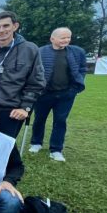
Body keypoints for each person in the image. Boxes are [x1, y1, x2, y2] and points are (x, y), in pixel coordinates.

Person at [29, 27, 87, 162]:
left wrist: (75, 87)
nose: (66, 40)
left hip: (66, 94)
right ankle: (36, 143)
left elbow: (82, 69)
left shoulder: (77, 52)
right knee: (39, 119)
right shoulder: (40, 51)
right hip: (44, 94)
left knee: (60, 121)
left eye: (68, 37)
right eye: (63, 38)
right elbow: (33, 70)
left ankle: (56, 149)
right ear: (52, 39)